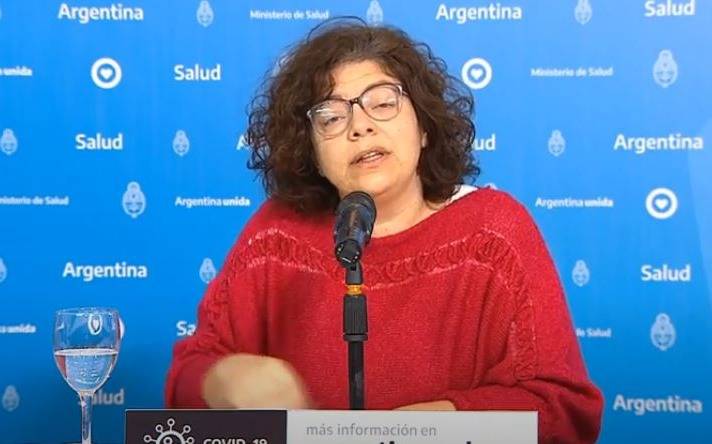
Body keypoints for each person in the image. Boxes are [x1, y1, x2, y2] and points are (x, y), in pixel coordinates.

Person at [165, 19, 603, 443]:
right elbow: (186, 380)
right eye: (331, 117)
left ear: (424, 126)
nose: (360, 126)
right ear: (311, 150)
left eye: (382, 102)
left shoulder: (494, 233)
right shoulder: (276, 233)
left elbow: (564, 411)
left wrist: (440, 424)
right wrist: (222, 379)